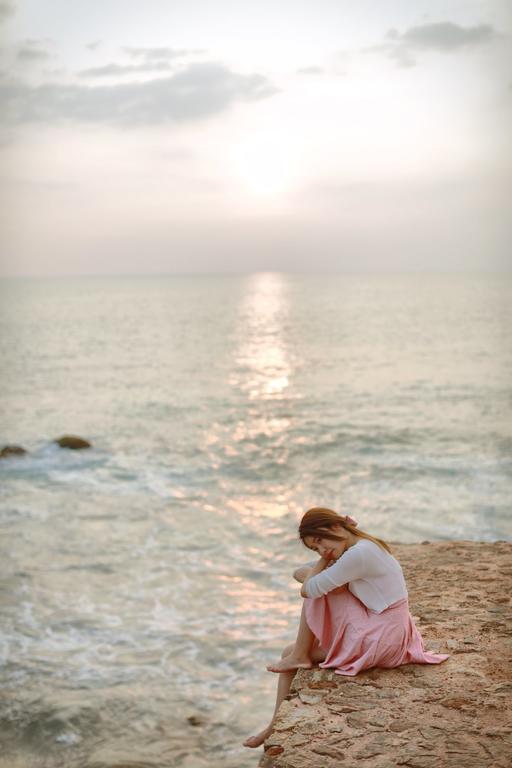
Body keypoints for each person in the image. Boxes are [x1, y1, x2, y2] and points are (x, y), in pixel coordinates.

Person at [243, 507, 449, 749]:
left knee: (318, 594)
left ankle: (274, 719)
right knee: (291, 645)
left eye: (320, 541)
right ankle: (274, 723)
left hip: (383, 637)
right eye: (315, 548)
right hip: (386, 629)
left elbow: (307, 589)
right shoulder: (355, 548)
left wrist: (324, 563)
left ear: (336, 527)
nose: (321, 550)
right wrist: (326, 561)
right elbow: (297, 572)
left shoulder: (359, 554)